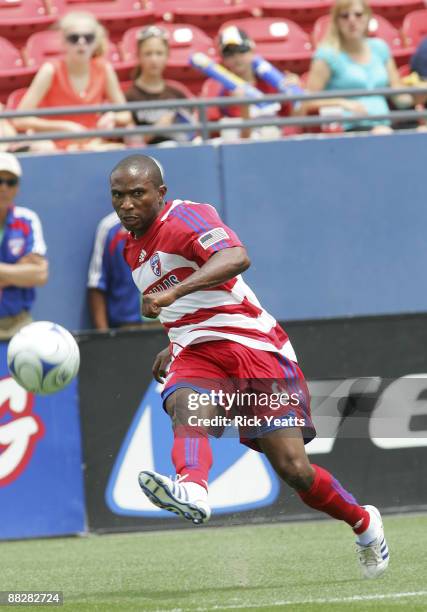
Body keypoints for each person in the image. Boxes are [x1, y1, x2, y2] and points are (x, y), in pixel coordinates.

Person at [110, 154, 390, 580]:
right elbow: (190, 307)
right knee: (184, 404)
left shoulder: (186, 216)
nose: (127, 204)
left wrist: (171, 296)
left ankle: (364, 522)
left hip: (253, 346)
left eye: (137, 193)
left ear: (159, 193)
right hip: (198, 350)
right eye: (118, 195)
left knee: (294, 470)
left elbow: (236, 258)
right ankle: (194, 490)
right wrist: (173, 341)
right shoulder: (129, 246)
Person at [13, 11, 131, 150]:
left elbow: (126, 115)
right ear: (63, 42)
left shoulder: (104, 69)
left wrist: (113, 117)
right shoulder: (50, 70)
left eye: (88, 38)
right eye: (74, 38)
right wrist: (63, 127)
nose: (81, 43)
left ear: (96, 41)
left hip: (92, 145)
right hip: (54, 145)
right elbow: (19, 119)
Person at [305, 0, 411, 132]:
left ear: (368, 18)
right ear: (336, 22)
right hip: (347, 128)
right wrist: (343, 103)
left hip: (385, 125)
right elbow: (307, 102)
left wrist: (412, 97)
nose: (352, 20)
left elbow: (398, 92)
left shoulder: (380, 47)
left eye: (358, 15)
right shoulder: (327, 55)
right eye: (345, 16)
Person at [201, 26, 301, 140]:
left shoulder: (273, 82)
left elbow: (296, 121)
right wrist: (244, 106)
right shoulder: (220, 89)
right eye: (229, 53)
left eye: (242, 50)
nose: (236, 57)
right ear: (222, 59)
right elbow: (242, 138)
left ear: (252, 51)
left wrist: (297, 91)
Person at [0, 153, 48, 339]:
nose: (4, 187)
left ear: (17, 187)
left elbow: (40, 274)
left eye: (10, 182)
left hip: (19, 324)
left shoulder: (27, 219)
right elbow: (31, 272)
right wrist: (20, 269)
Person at [125, 25, 193, 146]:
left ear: (167, 56)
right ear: (138, 56)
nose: (154, 59)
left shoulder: (177, 93)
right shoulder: (129, 96)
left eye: (159, 53)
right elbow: (129, 140)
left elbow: (193, 129)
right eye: (148, 54)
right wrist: (156, 130)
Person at [87, 212, 144, 330]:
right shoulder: (110, 228)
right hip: (127, 327)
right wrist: (104, 337)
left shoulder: (170, 222)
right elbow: (96, 284)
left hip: (167, 326)